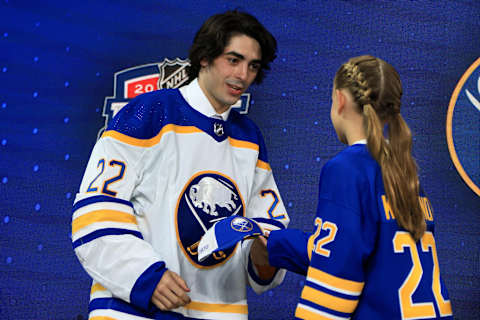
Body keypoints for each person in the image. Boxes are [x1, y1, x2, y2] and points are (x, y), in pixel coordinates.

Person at [71, 10, 289, 320]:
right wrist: (146, 277)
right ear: (205, 57)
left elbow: (263, 234)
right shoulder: (147, 113)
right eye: (233, 60)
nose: (243, 75)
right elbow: (95, 211)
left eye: (252, 66)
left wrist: (264, 251)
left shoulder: (250, 138)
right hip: (133, 311)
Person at [258, 55, 453, 319]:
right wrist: (277, 242)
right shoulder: (405, 170)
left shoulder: (346, 169)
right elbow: (361, 253)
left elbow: (336, 278)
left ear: (340, 100)